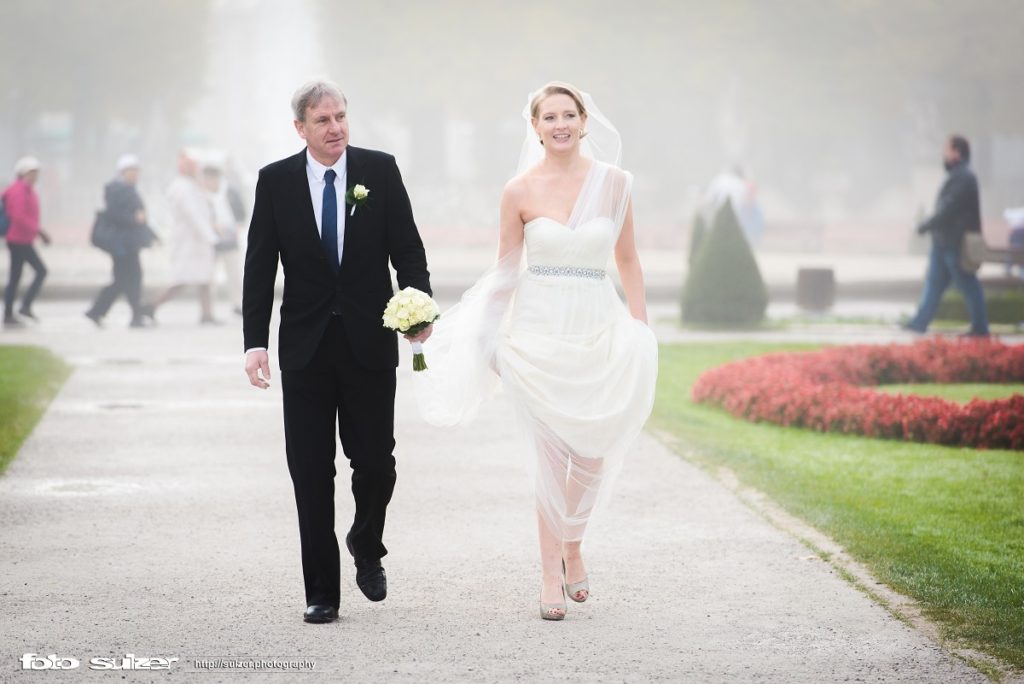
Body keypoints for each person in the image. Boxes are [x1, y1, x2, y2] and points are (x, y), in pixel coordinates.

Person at [414, 82, 658, 620]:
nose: (561, 124)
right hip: (538, 331)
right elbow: (505, 270)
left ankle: (573, 545)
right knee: (551, 460)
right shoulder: (518, 191)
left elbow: (630, 261)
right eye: (550, 117)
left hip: (598, 327)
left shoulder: (614, 185)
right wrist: (487, 335)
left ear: (584, 121)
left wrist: (640, 328)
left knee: (592, 453)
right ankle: (549, 576)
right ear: (536, 126)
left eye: (569, 115)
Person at [242, 80, 431, 625]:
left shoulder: (380, 170)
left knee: (375, 464)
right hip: (304, 348)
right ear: (300, 128)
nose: (336, 129)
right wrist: (255, 340)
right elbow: (260, 265)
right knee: (309, 471)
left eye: (342, 117)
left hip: (369, 344)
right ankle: (321, 590)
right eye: (323, 121)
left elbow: (408, 251)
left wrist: (417, 312)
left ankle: (366, 543)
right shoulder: (275, 181)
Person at [904, 135, 989, 337]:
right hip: (943, 242)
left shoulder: (964, 177)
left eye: (948, 149)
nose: (944, 154)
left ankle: (980, 328)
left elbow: (947, 209)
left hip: (955, 243)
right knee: (933, 284)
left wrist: (924, 225)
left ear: (957, 152)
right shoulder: (957, 176)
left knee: (967, 284)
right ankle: (919, 323)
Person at [142, 150, 221, 325]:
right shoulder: (181, 188)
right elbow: (194, 216)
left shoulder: (192, 185)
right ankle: (151, 306)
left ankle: (206, 314)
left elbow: (206, 208)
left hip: (198, 243)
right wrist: (211, 237)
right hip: (189, 243)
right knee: (181, 280)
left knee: (205, 279)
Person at [85, 154, 154, 328]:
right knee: (125, 278)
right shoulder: (117, 190)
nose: (135, 174)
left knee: (129, 278)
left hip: (129, 242)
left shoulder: (127, 189)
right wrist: (134, 218)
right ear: (123, 172)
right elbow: (115, 214)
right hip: (121, 243)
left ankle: (130, 314)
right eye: (132, 171)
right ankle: (102, 311)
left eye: (137, 171)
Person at [2, 156, 51, 328]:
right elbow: (18, 216)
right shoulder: (18, 191)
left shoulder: (28, 190)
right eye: (32, 173)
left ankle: (17, 309)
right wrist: (39, 231)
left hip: (24, 239)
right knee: (39, 271)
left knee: (18, 276)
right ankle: (20, 308)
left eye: (36, 173)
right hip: (17, 239)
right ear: (23, 173)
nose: (35, 176)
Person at [200, 156, 243, 315]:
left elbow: (241, 212)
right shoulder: (201, 194)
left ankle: (237, 304)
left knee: (234, 273)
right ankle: (208, 308)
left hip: (230, 237)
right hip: (211, 240)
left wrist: (236, 227)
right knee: (209, 275)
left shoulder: (230, 191)